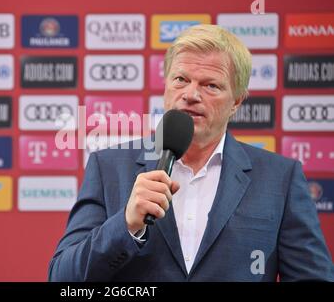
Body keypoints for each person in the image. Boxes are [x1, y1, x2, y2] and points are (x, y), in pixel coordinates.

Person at [48, 24, 334, 281]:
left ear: (236, 101)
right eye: (181, 80)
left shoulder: (280, 177)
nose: (191, 94)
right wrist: (126, 224)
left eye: (210, 85)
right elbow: (63, 277)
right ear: (166, 87)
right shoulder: (108, 167)